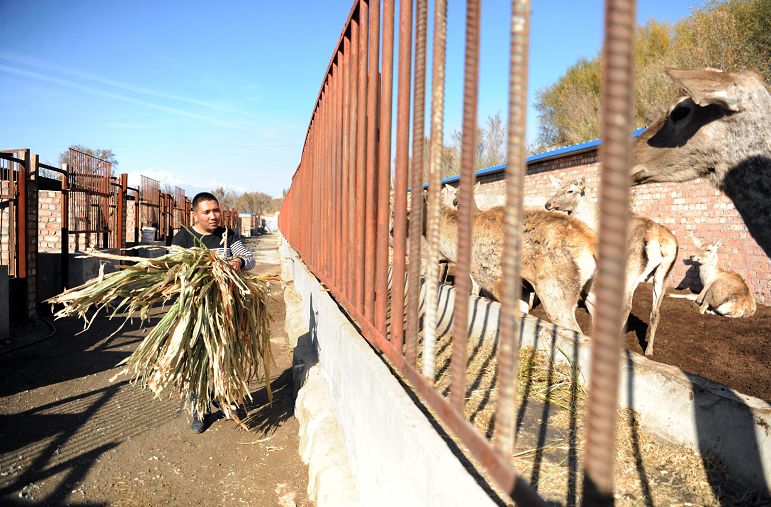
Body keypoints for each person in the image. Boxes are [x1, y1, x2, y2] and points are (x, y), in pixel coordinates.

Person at [171, 191, 256, 433]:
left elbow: (249, 258)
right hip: (195, 312)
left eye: (216, 210)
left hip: (226, 311)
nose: (213, 216)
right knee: (198, 359)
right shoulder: (183, 238)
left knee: (225, 355)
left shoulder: (228, 237)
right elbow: (173, 269)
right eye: (206, 212)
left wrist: (238, 262)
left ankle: (225, 398)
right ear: (195, 215)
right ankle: (200, 408)